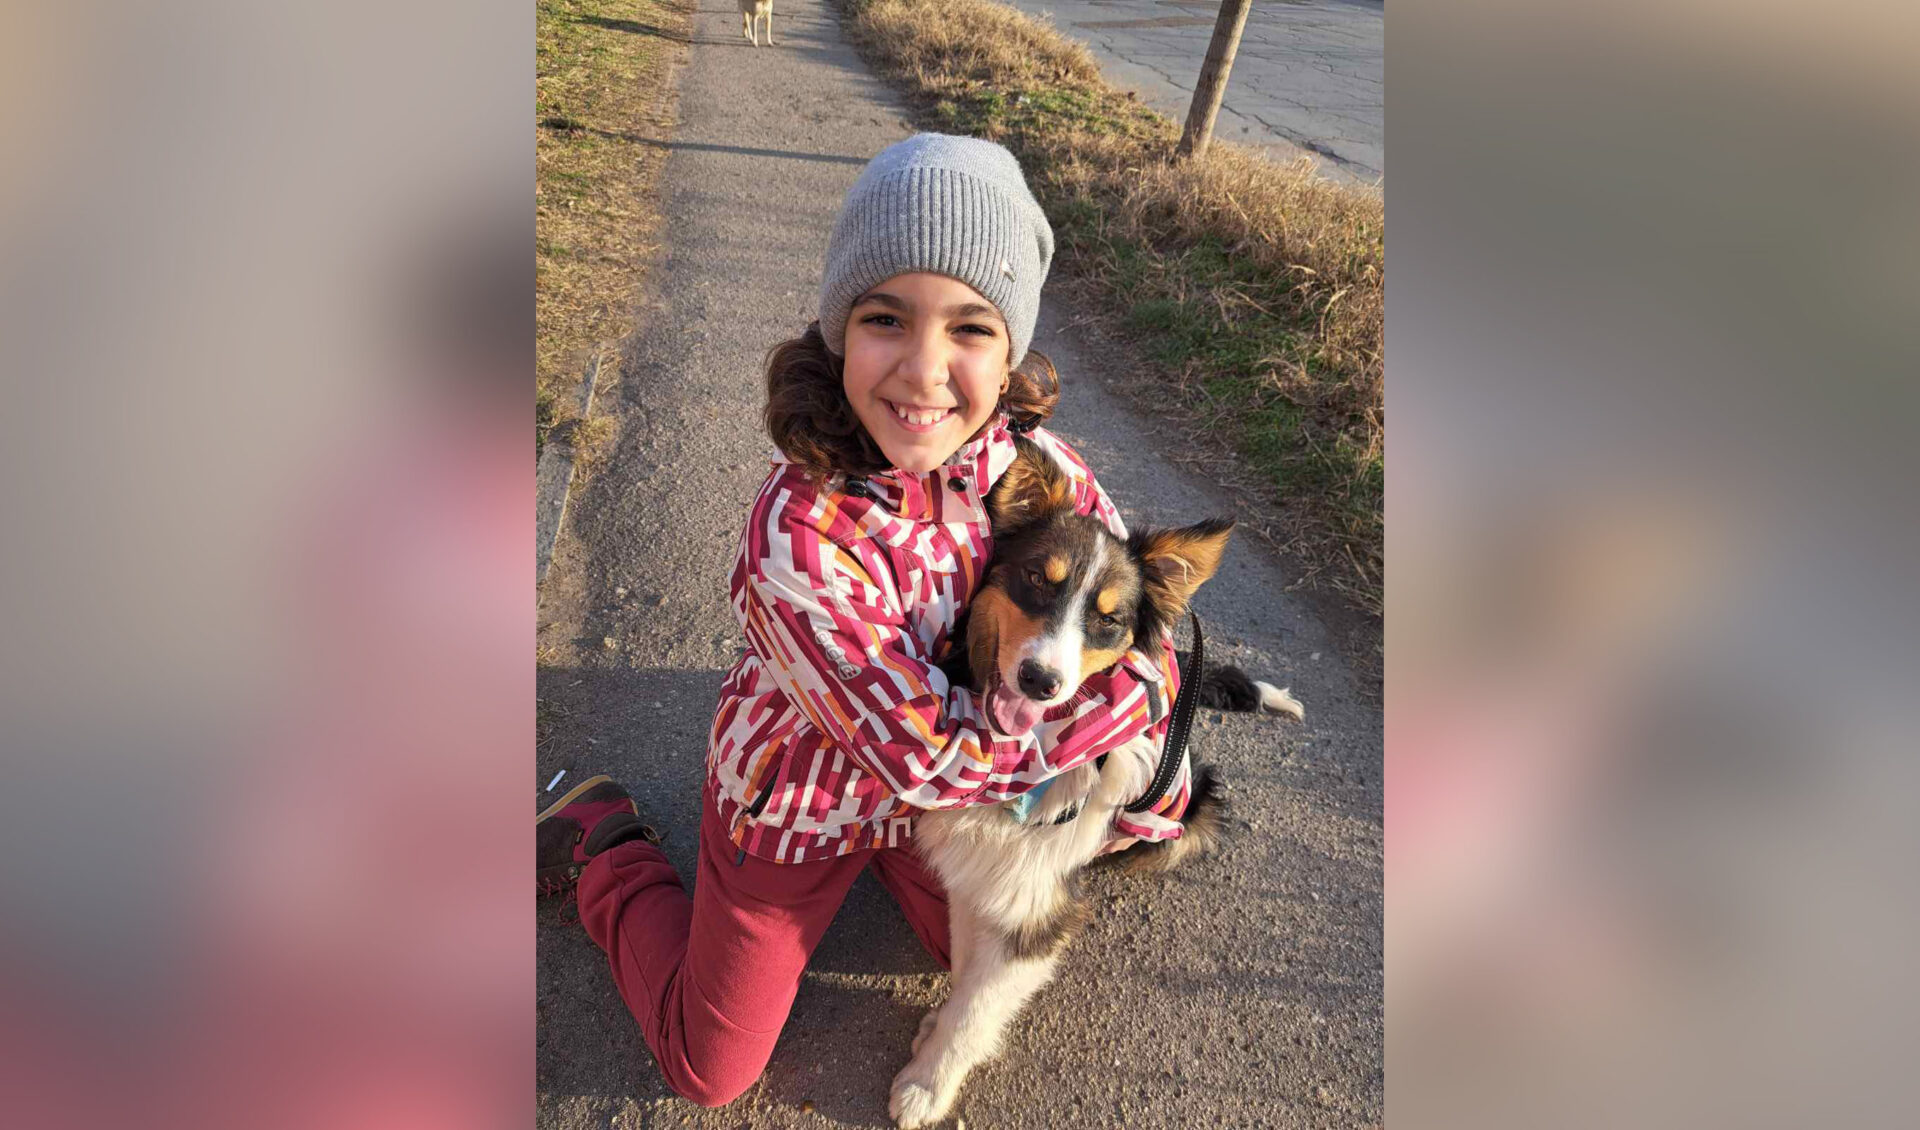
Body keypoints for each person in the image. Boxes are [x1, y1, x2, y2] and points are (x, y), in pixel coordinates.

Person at [536, 133, 1194, 1107]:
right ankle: (604, 849)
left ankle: (896, 860)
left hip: (938, 797)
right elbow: (929, 755)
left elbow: (1144, 639)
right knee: (708, 1067)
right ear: (839, 328)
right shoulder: (799, 533)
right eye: (886, 317)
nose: (925, 371)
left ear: (1009, 351)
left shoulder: (1041, 470)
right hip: (802, 803)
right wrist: (1113, 728)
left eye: (971, 327)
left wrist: (1135, 715)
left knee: (961, 947)